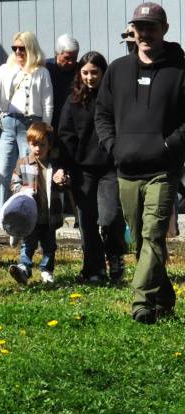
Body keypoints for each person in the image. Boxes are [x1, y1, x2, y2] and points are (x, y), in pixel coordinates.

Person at [95, 1, 185, 323]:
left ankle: (141, 302)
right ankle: (164, 297)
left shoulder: (179, 71)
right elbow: (102, 114)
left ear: (165, 29)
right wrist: (113, 147)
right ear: (132, 30)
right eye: (140, 27)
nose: (145, 33)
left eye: (151, 27)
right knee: (140, 242)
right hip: (126, 170)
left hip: (163, 170)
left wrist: (168, 146)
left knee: (153, 236)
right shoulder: (118, 70)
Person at [59, 51, 126, 283]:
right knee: (86, 222)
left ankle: (115, 256)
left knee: (109, 217)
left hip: (110, 167)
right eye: (85, 73)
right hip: (83, 169)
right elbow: (65, 136)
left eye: (95, 72)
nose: (90, 77)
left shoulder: (115, 98)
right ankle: (93, 270)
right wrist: (62, 167)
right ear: (80, 74)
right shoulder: (73, 101)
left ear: (104, 73)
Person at [0, 31, 53, 215]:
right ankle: (3, 213)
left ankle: (27, 211)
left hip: (30, 124)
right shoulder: (5, 69)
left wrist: (45, 126)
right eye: (15, 48)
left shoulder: (41, 71)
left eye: (22, 48)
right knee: (3, 171)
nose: (18, 52)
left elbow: (47, 102)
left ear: (31, 48)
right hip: (7, 123)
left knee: (29, 170)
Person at [7, 122, 69, 285]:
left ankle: (47, 271)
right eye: (34, 144)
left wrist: (62, 181)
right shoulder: (23, 163)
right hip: (30, 216)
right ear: (28, 143)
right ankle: (24, 269)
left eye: (42, 145)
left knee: (50, 247)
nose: (38, 149)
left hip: (49, 216)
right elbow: (13, 184)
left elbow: (64, 187)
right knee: (28, 244)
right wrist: (22, 189)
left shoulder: (55, 166)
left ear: (49, 146)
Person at [46, 34, 79, 131]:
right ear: (56, 53)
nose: (71, 62)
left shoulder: (80, 70)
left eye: (74, 58)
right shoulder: (45, 68)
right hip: (49, 120)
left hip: (71, 122)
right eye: (67, 58)